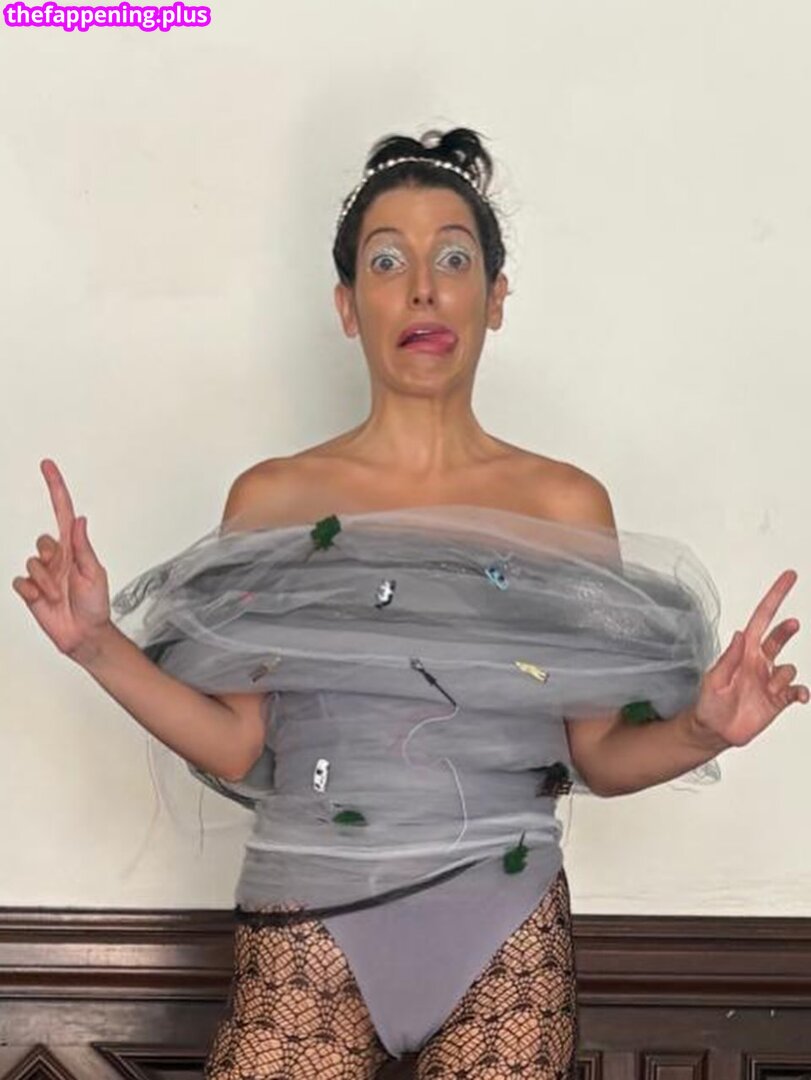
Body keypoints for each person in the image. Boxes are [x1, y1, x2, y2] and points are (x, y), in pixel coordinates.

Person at [13, 127, 807, 1080]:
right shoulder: (273, 499)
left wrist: (705, 730)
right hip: (304, 924)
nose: (423, 288)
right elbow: (234, 744)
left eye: (453, 260)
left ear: (495, 298)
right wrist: (96, 643)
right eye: (388, 262)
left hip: (504, 932)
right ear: (348, 305)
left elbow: (598, 753)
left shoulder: (564, 506)